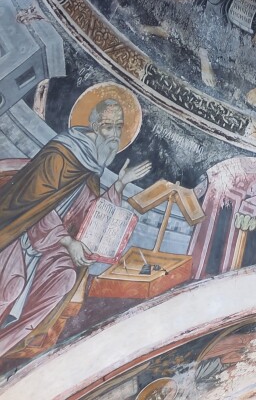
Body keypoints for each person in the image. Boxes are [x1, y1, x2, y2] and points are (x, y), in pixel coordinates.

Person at [0, 85, 150, 359]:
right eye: (108, 127)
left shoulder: (90, 169)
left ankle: (7, 342)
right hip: (18, 236)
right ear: (93, 125)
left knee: (65, 278)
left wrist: (119, 184)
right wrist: (67, 241)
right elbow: (34, 203)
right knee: (11, 287)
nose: (114, 135)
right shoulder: (61, 153)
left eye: (119, 127)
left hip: (51, 248)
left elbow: (88, 212)